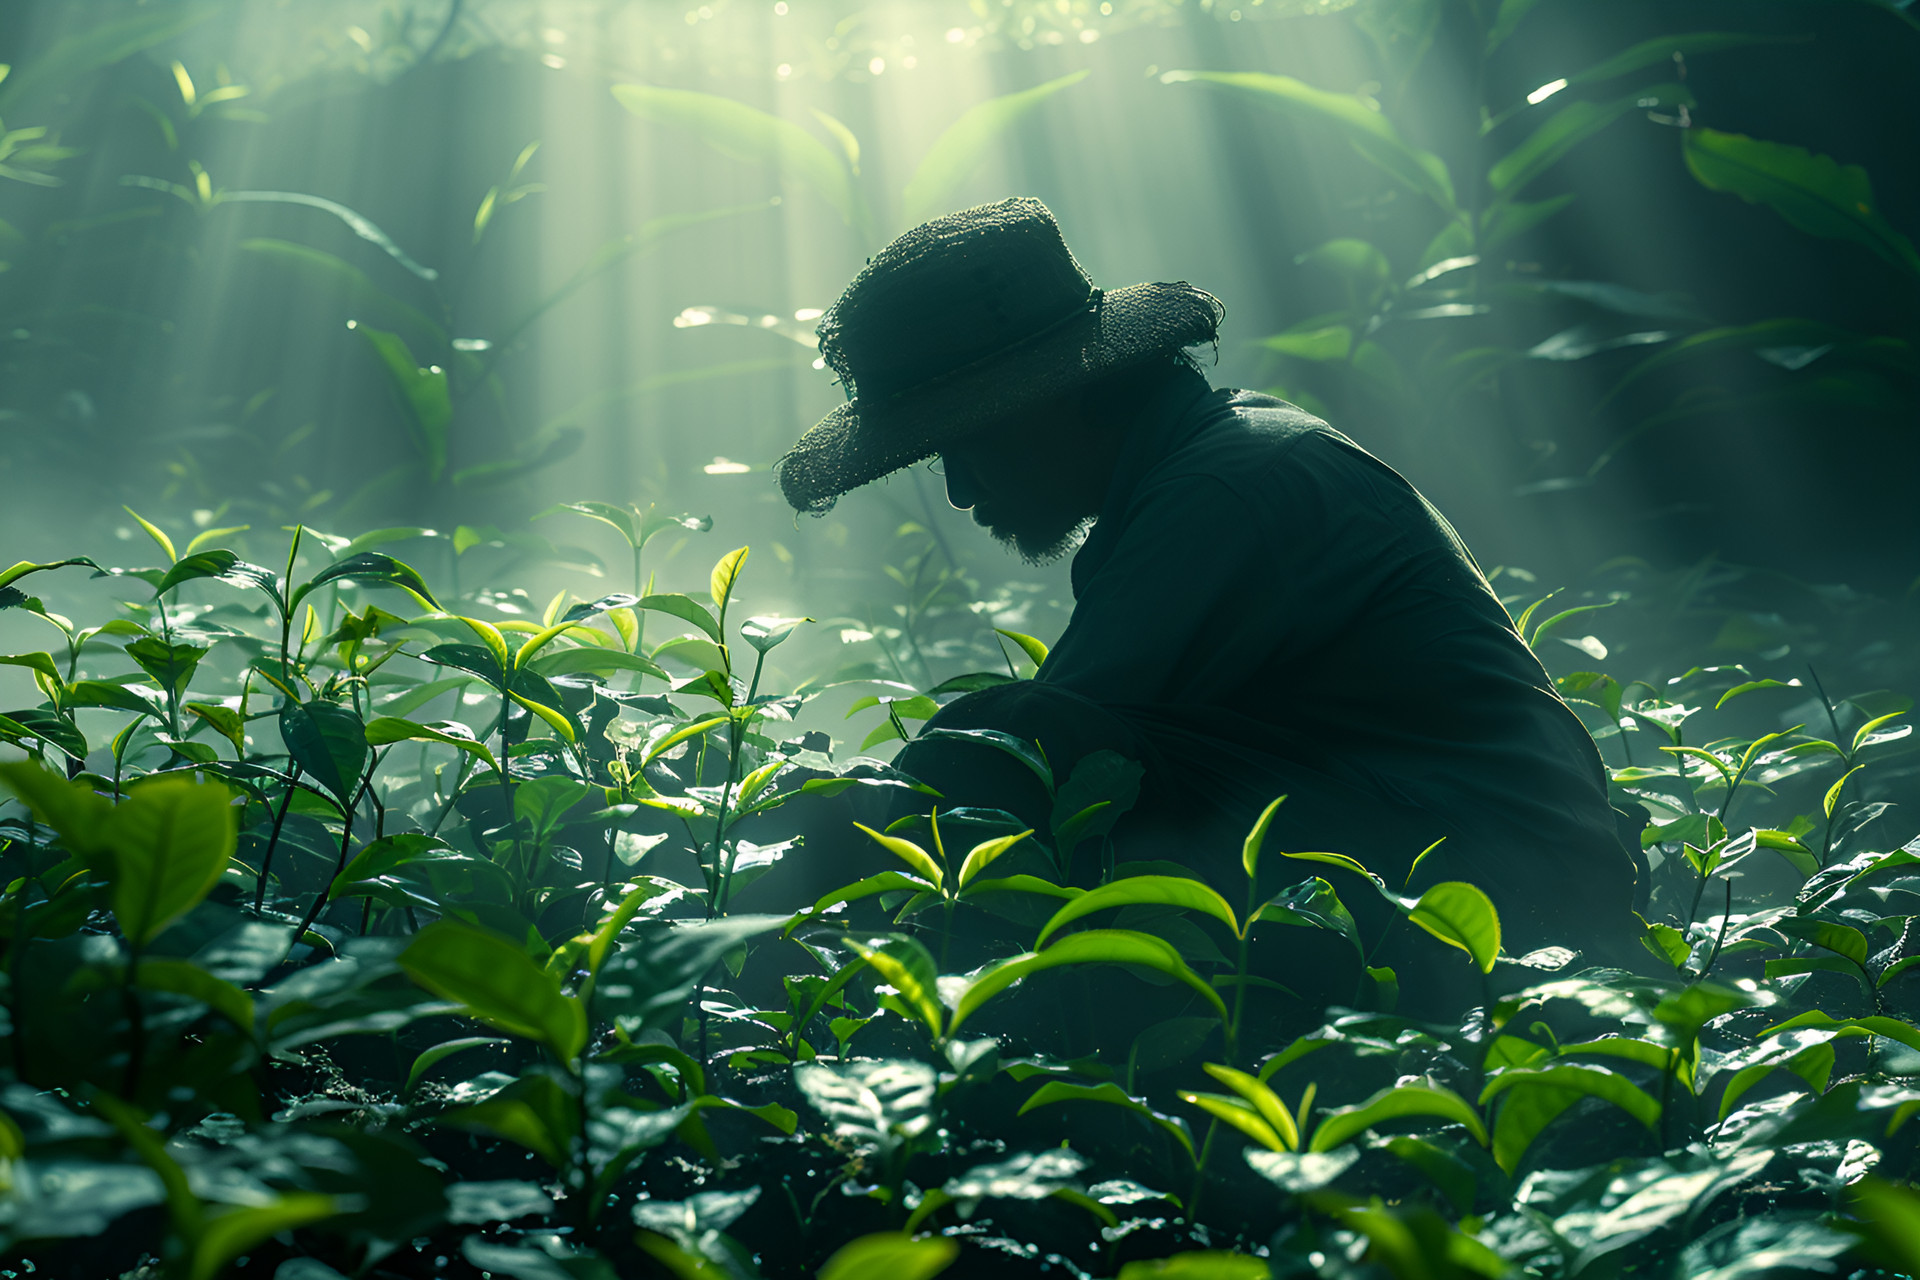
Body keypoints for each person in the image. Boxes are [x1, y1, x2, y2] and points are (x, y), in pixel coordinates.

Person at [774, 196, 1641, 1005]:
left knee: (997, 754)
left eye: (973, 440)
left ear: (1070, 389)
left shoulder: (1233, 485)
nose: (961, 490)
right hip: (1464, 865)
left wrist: (819, 820)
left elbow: (1036, 758)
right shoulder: (1218, 462)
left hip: (1502, 905)